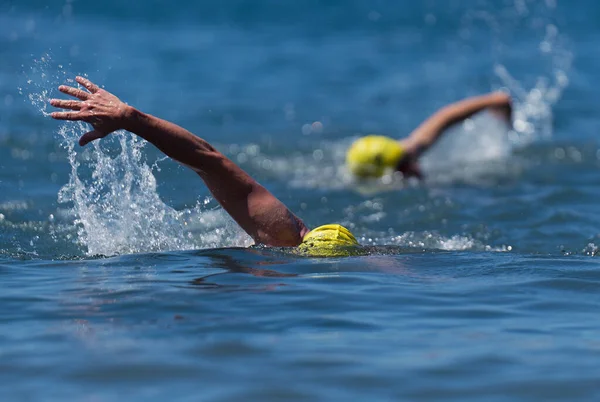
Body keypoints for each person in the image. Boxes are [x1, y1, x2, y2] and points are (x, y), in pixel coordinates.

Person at [50, 77, 359, 257]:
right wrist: (131, 118)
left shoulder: (286, 233)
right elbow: (209, 161)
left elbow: (209, 161)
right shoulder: (282, 234)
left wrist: (131, 119)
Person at [345, 92, 513, 179]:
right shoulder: (392, 182)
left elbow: (446, 116)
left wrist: (493, 101)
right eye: (402, 167)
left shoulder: (414, 148)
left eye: (405, 159)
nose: (411, 167)